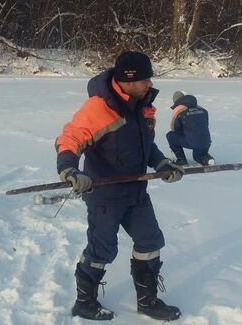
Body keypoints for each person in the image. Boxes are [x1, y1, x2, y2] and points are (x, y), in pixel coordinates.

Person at [55, 51, 185, 321]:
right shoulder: (100, 107)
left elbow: (145, 145)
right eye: (144, 79)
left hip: (136, 192)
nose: (150, 84)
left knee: (150, 241)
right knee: (102, 250)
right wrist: (69, 170)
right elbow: (70, 138)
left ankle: (147, 302)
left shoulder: (142, 104)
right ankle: (84, 302)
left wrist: (162, 164)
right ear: (127, 80)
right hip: (105, 194)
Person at [166, 91, 214, 166]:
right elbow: (205, 124)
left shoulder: (178, 109)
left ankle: (181, 160)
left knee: (170, 135)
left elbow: (174, 128)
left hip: (191, 141)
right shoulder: (201, 108)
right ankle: (207, 159)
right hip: (206, 141)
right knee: (197, 156)